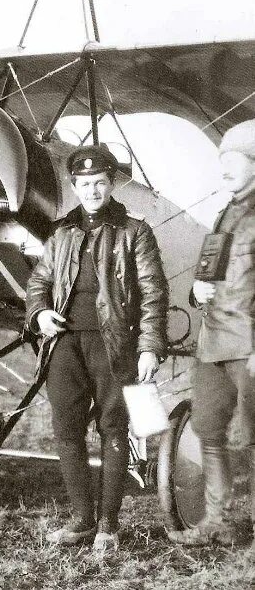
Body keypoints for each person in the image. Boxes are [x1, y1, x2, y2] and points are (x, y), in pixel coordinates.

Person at [25, 144, 168, 552]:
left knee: (112, 427)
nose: (92, 191)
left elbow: (153, 294)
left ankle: (108, 523)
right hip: (64, 344)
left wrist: (149, 347)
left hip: (113, 345)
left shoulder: (135, 231)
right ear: (74, 186)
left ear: (110, 184)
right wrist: (39, 314)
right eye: (84, 184)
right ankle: (81, 520)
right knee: (66, 430)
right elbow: (39, 282)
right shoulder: (61, 232)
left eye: (100, 183)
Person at [168, 119, 255, 549]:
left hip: (250, 343)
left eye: (234, 159)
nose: (224, 167)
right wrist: (196, 290)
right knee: (207, 428)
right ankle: (218, 520)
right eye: (222, 159)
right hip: (214, 342)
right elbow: (209, 274)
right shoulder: (224, 212)